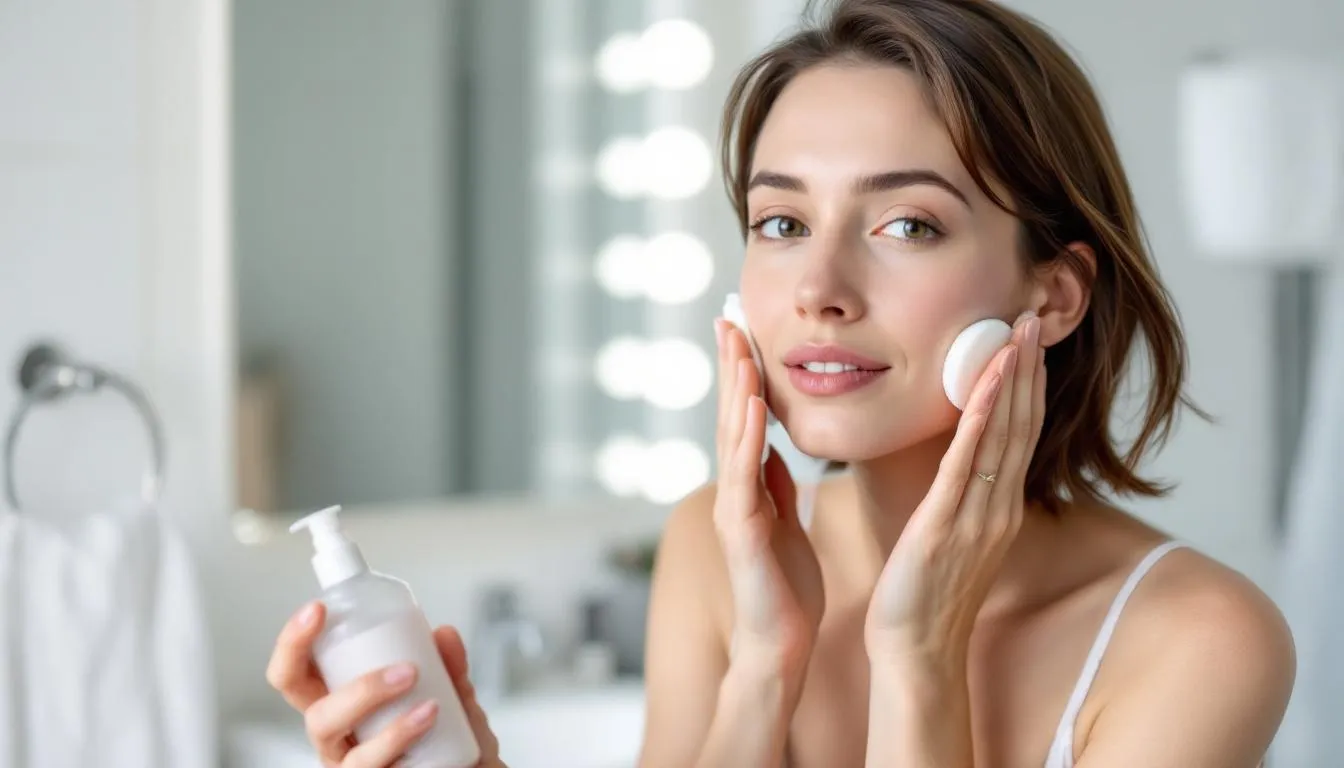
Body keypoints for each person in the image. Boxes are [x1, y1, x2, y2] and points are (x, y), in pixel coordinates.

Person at [267, 0, 1297, 765]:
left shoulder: (1200, 642)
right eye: (782, 222)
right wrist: (763, 665)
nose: (819, 289)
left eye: (906, 225)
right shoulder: (715, 555)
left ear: (1057, 295)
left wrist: (920, 657)